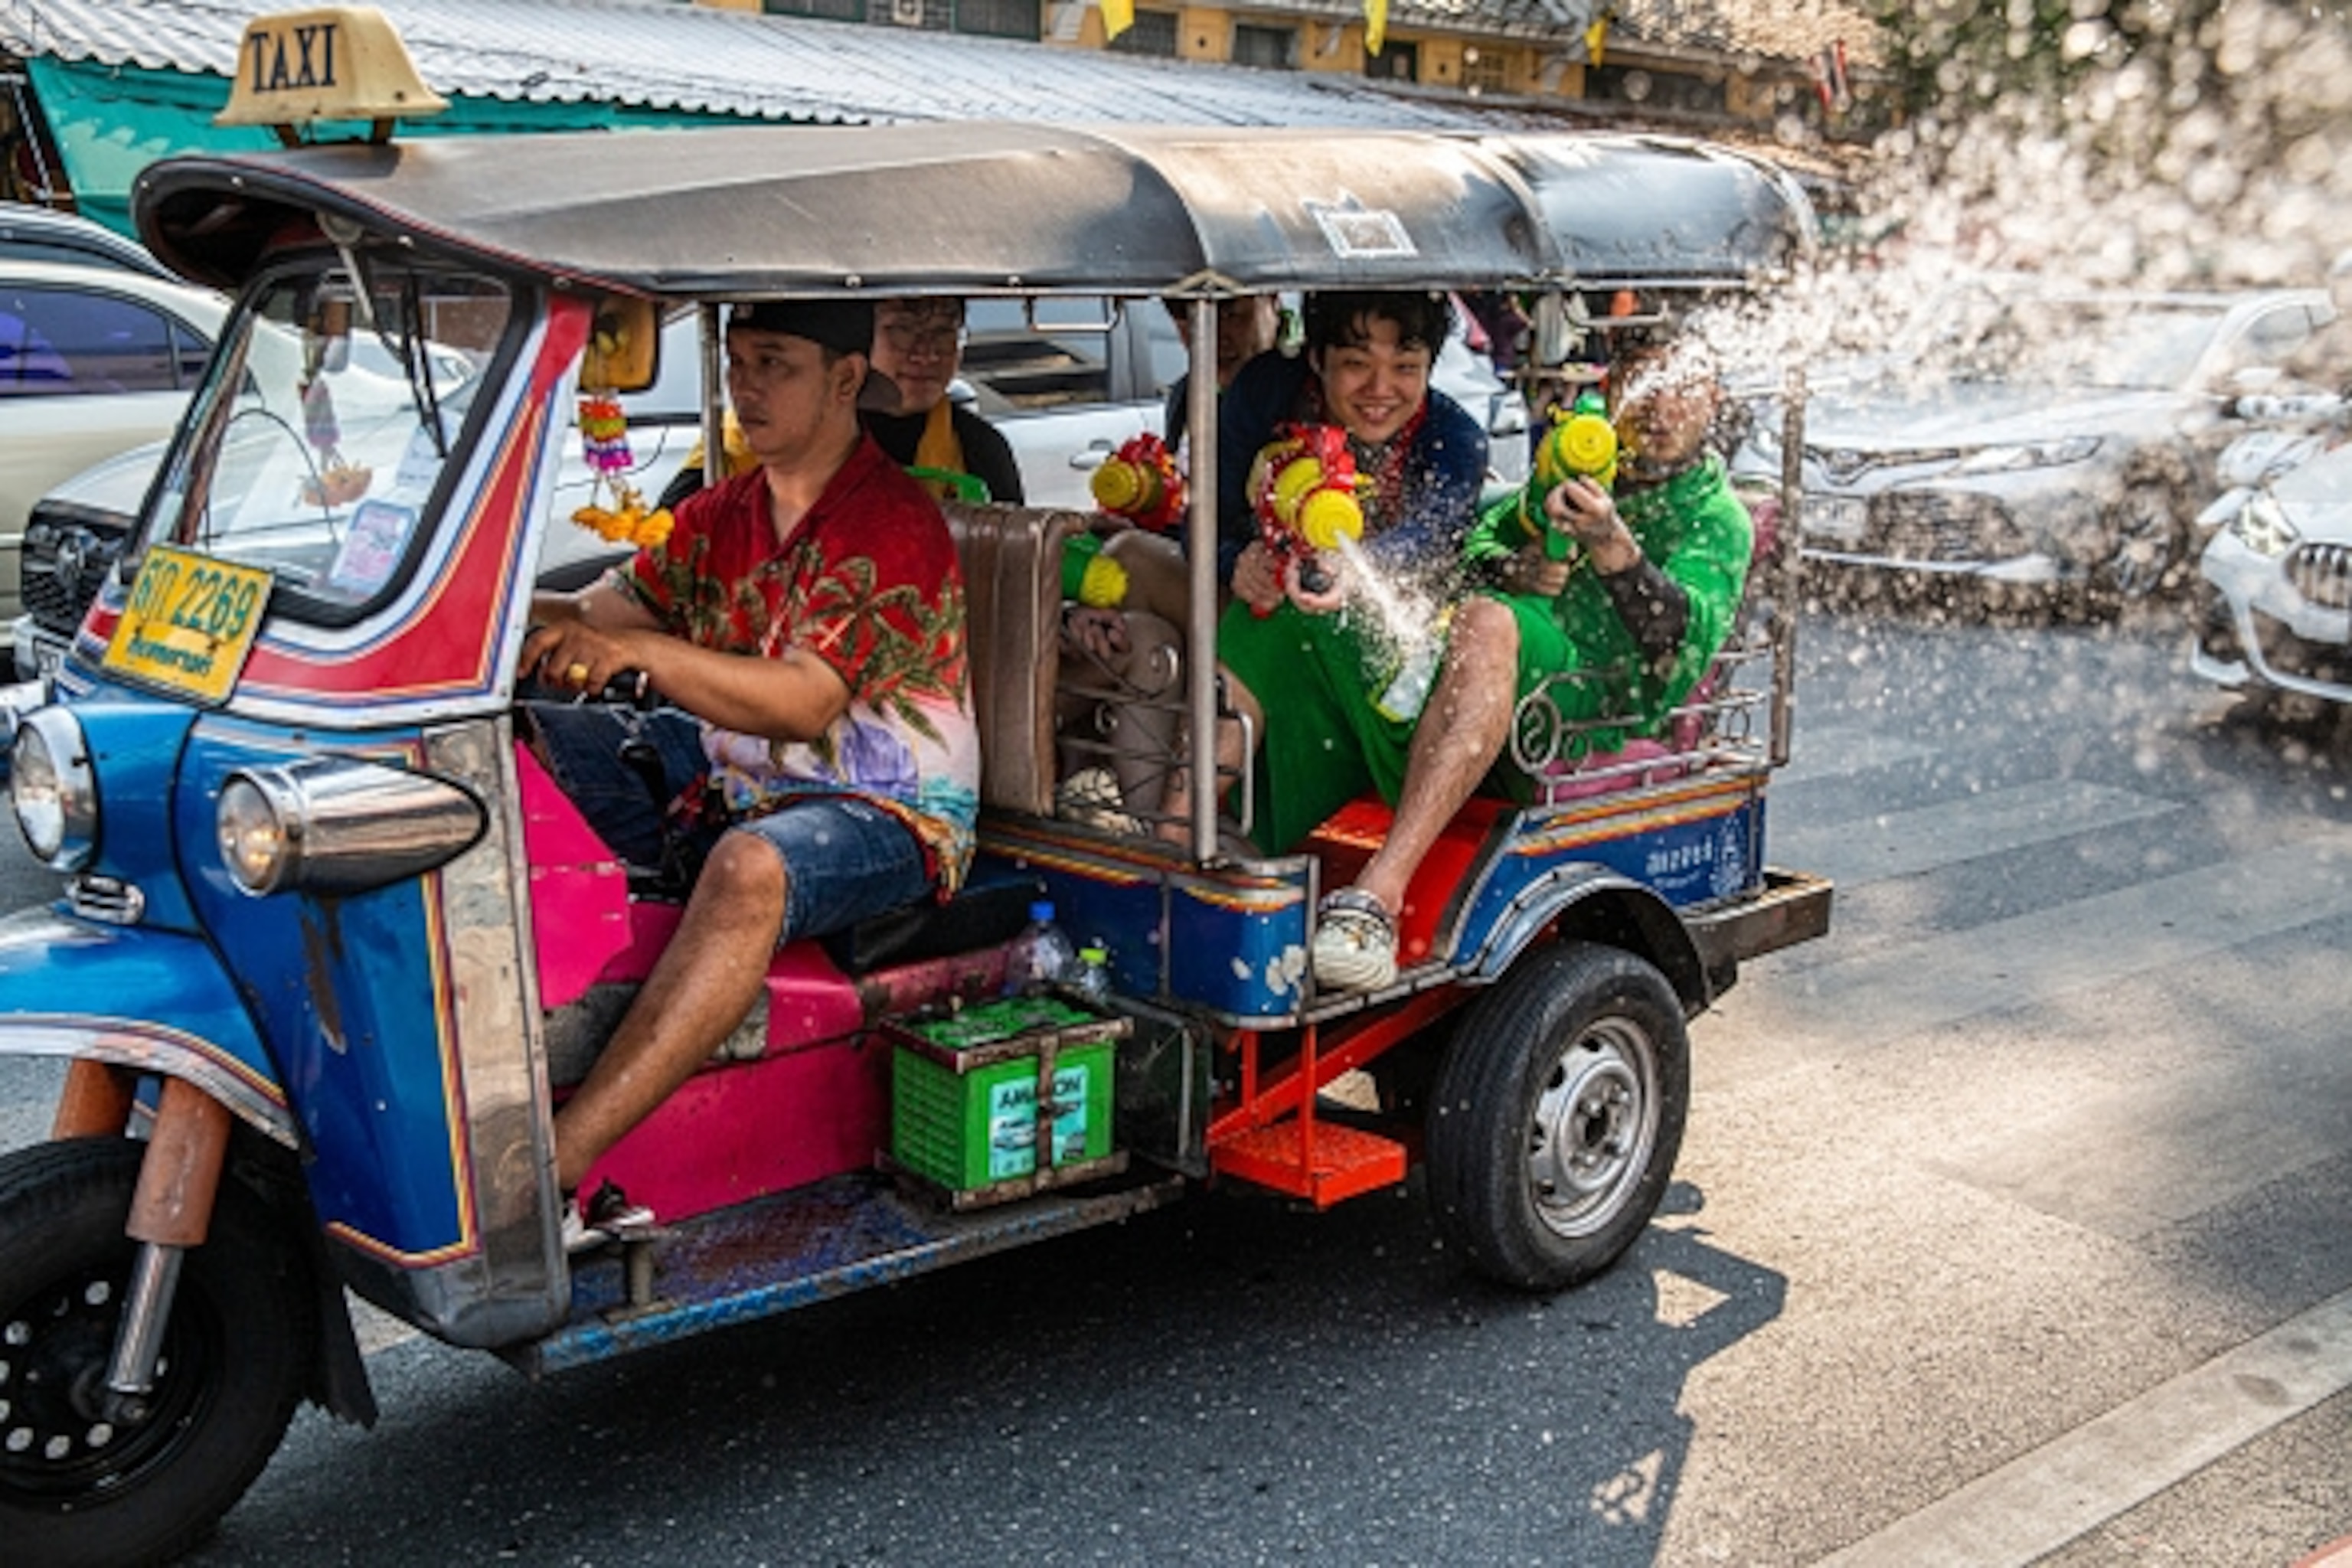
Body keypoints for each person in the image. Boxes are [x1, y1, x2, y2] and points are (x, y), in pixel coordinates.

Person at [524, 297, 980, 1246]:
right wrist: (499, 614)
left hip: (884, 812)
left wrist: (634, 658)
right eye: (739, 363)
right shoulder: (722, 511)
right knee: (533, 734)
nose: (747, 387)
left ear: (845, 380)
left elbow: (802, 702)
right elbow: (607, 609)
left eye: (775, 363)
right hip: (740, 784)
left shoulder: (891, 520)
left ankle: (552, 1170)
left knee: (748, 868)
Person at [1308, 332, 1753, 992]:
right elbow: (1479, 545)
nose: (1660, 409)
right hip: (1502, 669)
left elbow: (1676, 641)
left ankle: (1379, 893)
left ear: (1712, 399)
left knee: (1488, 620)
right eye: (1643, 384)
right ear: (1614, 389)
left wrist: (1611, 544)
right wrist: (1515, 563)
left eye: (1683, 389)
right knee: (1331, 614)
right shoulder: (1580, 470)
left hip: (1594, 702)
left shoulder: (1717, 518)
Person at [1157, 289, 1488, 855]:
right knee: (1253, 623)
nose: (1380, 391)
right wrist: (1236, 561)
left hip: (1392, 664)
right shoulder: (1264, 393)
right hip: (1263, 619)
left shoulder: (1454, 441)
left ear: (1430, 369)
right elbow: (1203, 516)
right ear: (1316, 358)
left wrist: (1355, 571)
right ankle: (1180, 833)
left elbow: (1430, 537)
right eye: (1357, 365)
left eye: (1405, 369)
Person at [655, 295, 1023, 511]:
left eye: (943, 332)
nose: (926, 353)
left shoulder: (977, 449)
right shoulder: (735, 449)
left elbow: (1019, 577)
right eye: (902, 329)